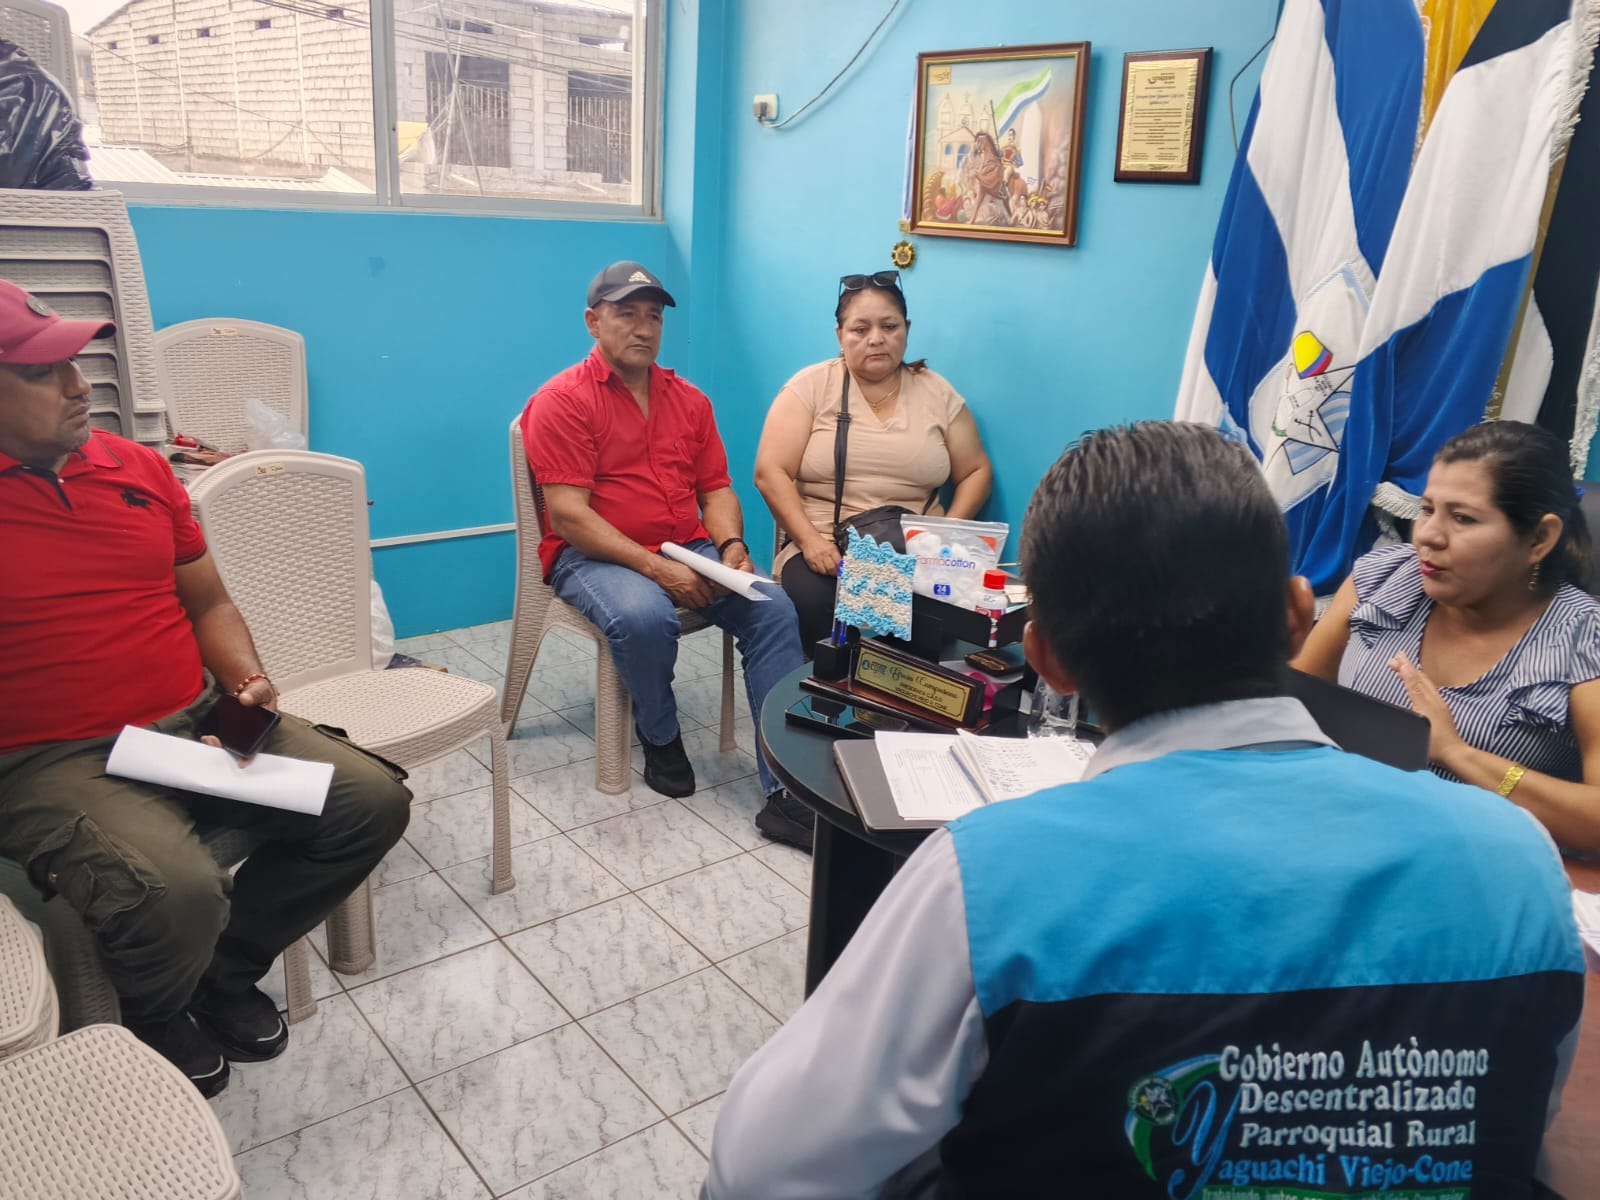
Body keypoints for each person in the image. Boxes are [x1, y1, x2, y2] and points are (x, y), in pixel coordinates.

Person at [705, 422, 1583, 1198]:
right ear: (1296, 614)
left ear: (1045, 659)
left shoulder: (990, 879)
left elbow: (762, 1171)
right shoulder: (1517, 861)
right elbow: (1515, 1125)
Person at [0, 280, 412, 1097]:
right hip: (57, 759)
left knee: (367, 803)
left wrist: (245, 681)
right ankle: (156, 1010)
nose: (80, 387)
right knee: (178, 892)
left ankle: (220, 973)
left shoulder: (137, 469)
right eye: (44, 372)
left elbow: (210, 602)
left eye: (76, 364)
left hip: (190, 730)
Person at [520, 261, 811, 850]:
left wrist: (731, 547)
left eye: (653, 316)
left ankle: (786, 789)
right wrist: (657, 569)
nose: (643, 328)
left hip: (688, 546)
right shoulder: (561, 401)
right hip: (591, 555)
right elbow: (571, 517)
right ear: (593, 322)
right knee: (644, 615)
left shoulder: (690, 401)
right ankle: (659, 733)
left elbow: (716, 490)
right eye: (626, 314)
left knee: (775, 609)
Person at [1294, 420, 1600, 853]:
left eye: (1462, 518)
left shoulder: (1585, 638)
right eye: (1427, 509)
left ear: (1539, 538)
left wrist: (1458, 754)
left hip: (1481, 867)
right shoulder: (1381, 579)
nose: (1428, 536)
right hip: (1338, 835)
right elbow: (1295, 706)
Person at [754, 270, 993, 647]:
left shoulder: (937, 392)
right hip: (826, 546)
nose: (876, 338)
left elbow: (976, 470)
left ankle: (901, 686)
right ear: (840, 336)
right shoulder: (810, 387)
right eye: (860, 329)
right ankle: (831, 686)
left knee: (937, 612)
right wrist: (811, 542)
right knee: (820, 604)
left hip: (915, 550)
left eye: (889, 326)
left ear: (907, 329)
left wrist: (945, 537)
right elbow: (770, 472)